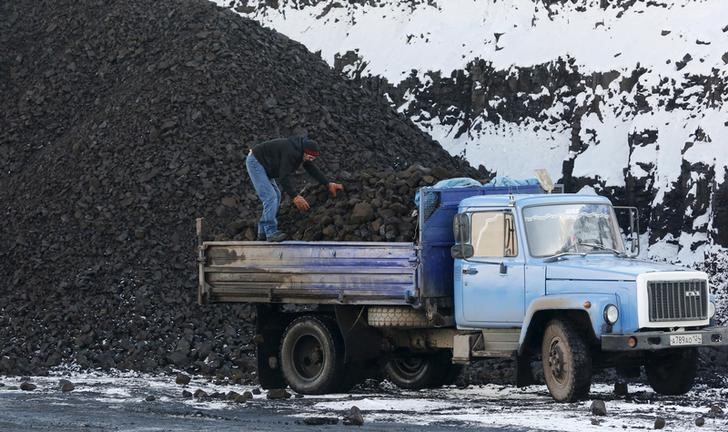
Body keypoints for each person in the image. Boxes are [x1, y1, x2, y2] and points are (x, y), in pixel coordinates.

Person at [245, 136, 344, 242]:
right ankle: (270, 232)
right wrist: (295, 196)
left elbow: (311, 168)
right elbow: (283, 176)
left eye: (313, 158)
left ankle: (263, 232)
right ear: (305, 152)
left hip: (265, 163)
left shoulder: (301, 151)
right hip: (256, 161)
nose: (310, 160)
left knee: (277, 196)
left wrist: (328, 184)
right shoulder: (291, 152)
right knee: (270, 197)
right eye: (310, 157)